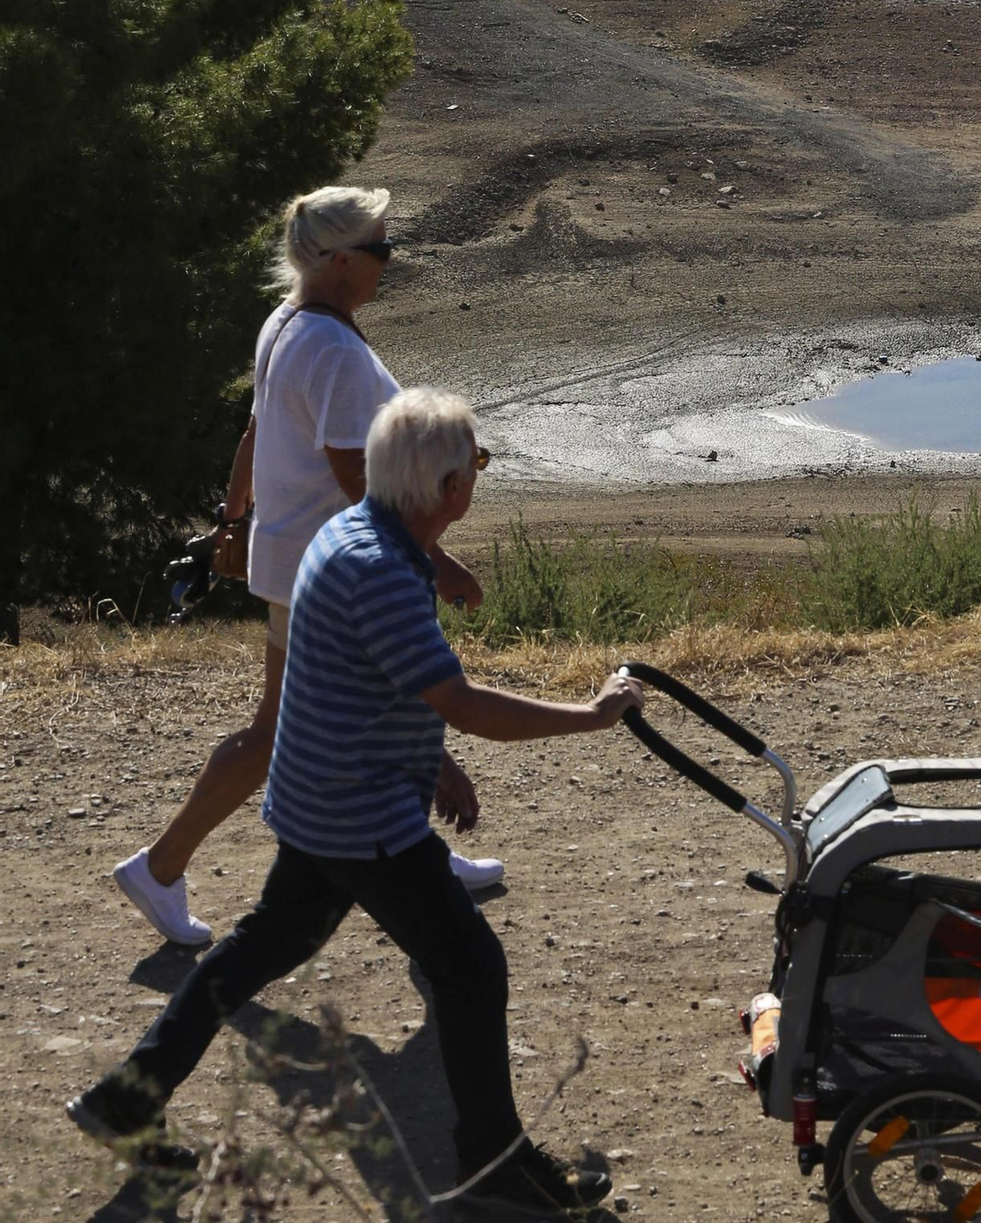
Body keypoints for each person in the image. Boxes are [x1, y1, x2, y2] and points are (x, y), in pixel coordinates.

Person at [74, 388, 644, 1215]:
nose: (476, 477)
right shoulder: (384, 569)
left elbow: (361, 683)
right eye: (475, 464)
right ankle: (493, 1166)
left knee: (259, 949)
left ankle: (127, 1097)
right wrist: (593, 716)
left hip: (316, 800)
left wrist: (433, 754)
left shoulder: (349, 536)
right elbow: (467, 701)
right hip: (361, 818)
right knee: (471, 967)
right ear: (450, 490)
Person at [115, 185, 500, 948]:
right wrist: (438, 559)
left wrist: (233, 518)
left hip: (299, 560)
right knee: (278, 733)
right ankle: (158, 867)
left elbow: (256, 431)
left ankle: (421, 861)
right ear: (343, 260)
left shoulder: (288, 323)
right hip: (337, 575)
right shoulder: (335, 352)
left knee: (366, 714)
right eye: (383, 250)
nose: (390, 263)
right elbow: (359, 476)